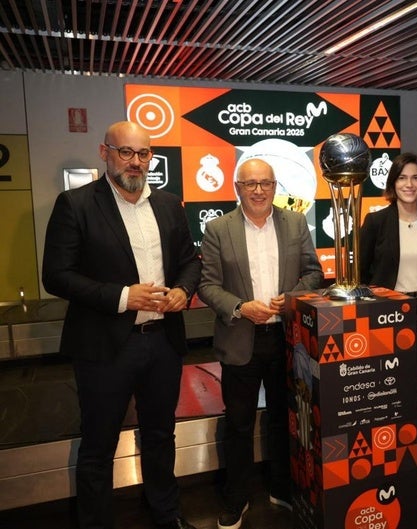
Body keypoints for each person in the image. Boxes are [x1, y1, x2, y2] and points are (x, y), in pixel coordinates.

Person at [42, 121, 201, 529]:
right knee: (98, 445)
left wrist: (183, 289)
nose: (134, 162)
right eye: (125, 152)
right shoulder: (75, 204)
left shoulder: (168, 205)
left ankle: (166, 515)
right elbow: (57, 275)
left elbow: (188, 261)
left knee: (161, 437)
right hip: (104, 347)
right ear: (104, 152)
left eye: (143, 153)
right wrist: (122, 297)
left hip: (162, 342)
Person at [197, 158, 323, 529]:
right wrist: (238, 306)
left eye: (265, 183)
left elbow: (314, 272)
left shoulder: (296, 222)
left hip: (286, 339)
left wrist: (291, 299)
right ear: (237, 187)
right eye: (249, 183)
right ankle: (237, 497)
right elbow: (207, 285)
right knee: (238, 424)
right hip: (240, 340)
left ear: (274, 186)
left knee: (285, 420)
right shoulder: (218, 229)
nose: (258, 190)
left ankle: (280, 487)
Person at [359, 152, 417, 438]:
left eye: (416, 177)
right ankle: (386, 448)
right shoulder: (376, 223)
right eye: (403, 178)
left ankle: (411, 454)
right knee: (387, 386)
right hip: (386, 314)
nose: (409, 184)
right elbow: (361, 275)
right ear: (392, 183)